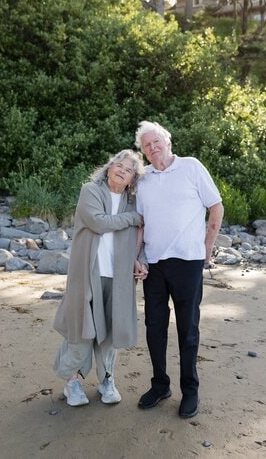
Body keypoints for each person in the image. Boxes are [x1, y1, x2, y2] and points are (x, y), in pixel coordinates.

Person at [133, 121, 223, 419]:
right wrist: (137, 257)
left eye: (156, 141)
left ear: (168, 142)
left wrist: (207, 248)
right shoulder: (143, 180)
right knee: (154, 328)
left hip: (188, 262)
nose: (152, 147)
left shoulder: (191, 167)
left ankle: (190, 390)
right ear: (143, 152)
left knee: (188, 330)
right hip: (154, 265)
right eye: (146, 145)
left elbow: (216, 207)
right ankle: (160, 385)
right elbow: (141, 224)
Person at [52, 150, 145, 406]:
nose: (121, 170)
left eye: (128, 170)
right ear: (109, 167)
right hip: (88, 274)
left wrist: (142, 260)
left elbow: (143, 236)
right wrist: (132, 219)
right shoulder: (90, 191)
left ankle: (107, 379)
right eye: (118, 164)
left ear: (132, 179)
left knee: (110, 335)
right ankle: (71, 382)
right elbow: (99, 222)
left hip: (119, 277)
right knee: (82, 331)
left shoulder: (133, 201)